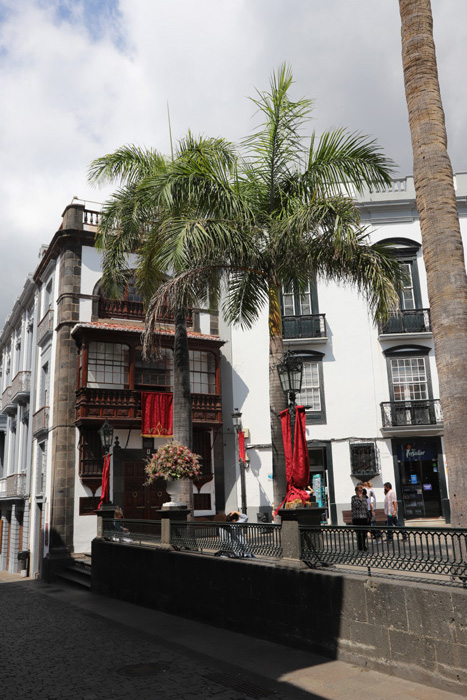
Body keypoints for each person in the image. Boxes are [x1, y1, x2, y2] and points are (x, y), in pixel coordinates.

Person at [351, 484, 368, 551]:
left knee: (364, 534)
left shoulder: (364, 498)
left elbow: (366, 507)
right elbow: (356, 506)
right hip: (357, 518)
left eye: (361, 490)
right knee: (359, 533)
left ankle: (363, 545)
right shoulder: (354, 498)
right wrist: (360, 499)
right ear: (356, 491)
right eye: (359, 491)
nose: (360, 492)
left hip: (364, 518)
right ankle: (360, 547)